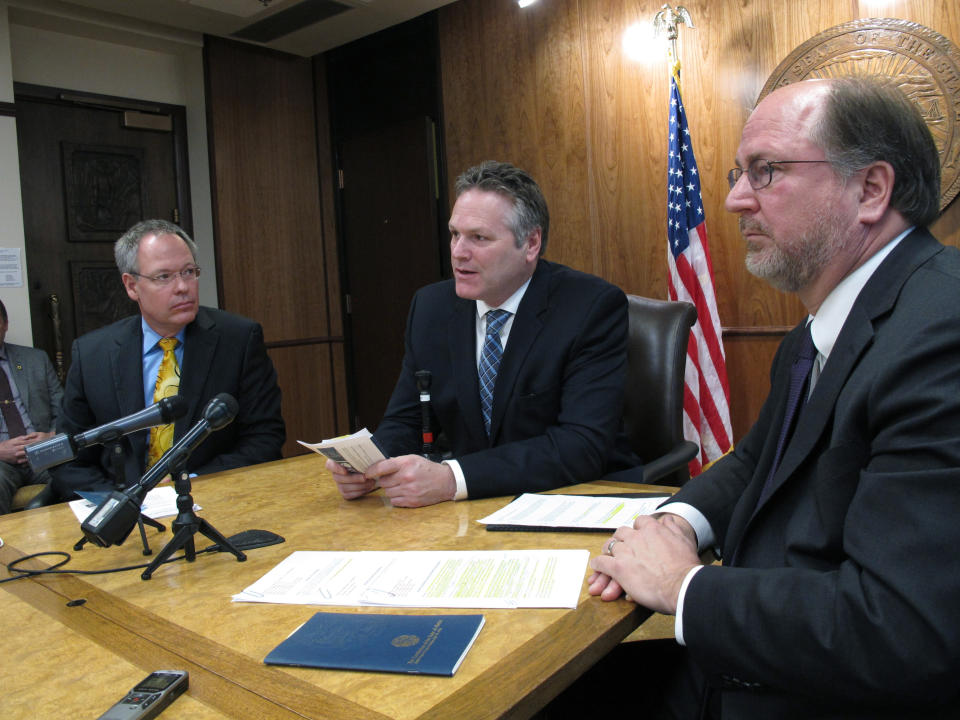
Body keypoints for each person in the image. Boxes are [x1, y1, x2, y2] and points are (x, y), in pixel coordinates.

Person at [588, 76, 960, 718]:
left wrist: (683, 586)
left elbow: (902, 630)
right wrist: (673, 524)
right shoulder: (815, 333)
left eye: (766, 171)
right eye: (740, 172)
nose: (733, 200)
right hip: (749, 656)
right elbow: (755, 463)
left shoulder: (942, 333)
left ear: (871, 189)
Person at [329, 161, 639, 507]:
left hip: (578, 500)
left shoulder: (589, 308)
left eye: (479, 238)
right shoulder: (432, 308)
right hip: (474, 511)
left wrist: (453, 479)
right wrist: (370, 464)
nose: (459, 252)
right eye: (454, 234)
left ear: (531, 243)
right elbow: (407, 420)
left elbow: (581, 446)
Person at [52, 219, 285, 500]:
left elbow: (264, 438)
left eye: (189, 272)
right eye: (164, 277)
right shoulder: (92, 354)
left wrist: (192, 486)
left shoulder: (238, 340)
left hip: (212, 501)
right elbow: (69, 458)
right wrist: (121, 504)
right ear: (131, 286)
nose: (183, 287)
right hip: (121, 512)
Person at [0, 299, 63, 513]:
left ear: (5, 324)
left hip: (43, 453)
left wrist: (51, 437)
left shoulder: (35, 359)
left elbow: (65, 412)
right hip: (1, 462)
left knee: (81, 472)